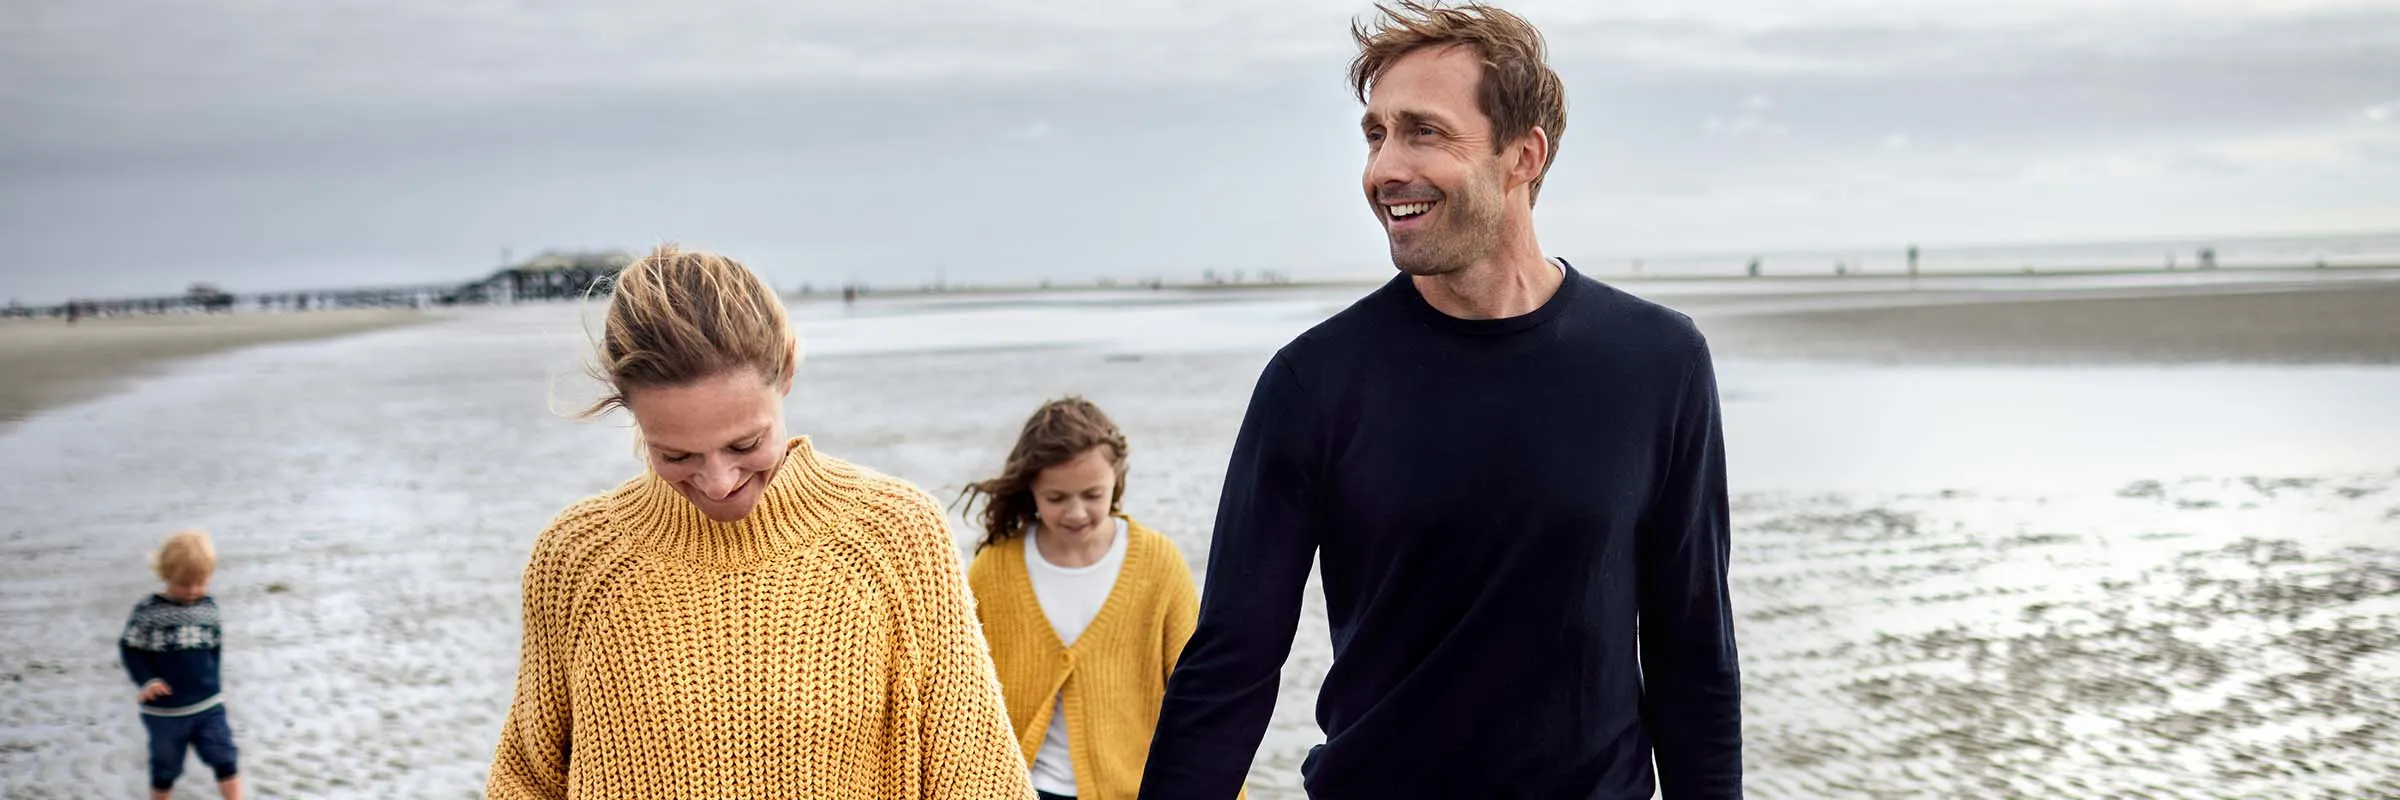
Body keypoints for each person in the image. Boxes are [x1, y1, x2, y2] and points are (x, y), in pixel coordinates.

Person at [1140, 2, 1743, 798]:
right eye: (1376, 134)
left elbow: (1692, 648)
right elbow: (1230, 665)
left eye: (1423, 131)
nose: (1384, 168)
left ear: (1523, 155)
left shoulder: (1657, 360)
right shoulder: (1314, 381)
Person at [485, 244, 1031, 799]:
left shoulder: (894, 534)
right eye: (676, 456)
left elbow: (978, 776)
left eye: (745, 443)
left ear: (787, 368)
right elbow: (525, 780)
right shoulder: (577, 556)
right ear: (629, 411)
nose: (719, 482)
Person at [959, 398, 1234, 800]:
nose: (1075, 513)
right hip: (1019, 788)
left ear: (1117, 479)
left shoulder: (1159, 565)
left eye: (1092, 495)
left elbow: (1199, 694)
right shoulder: (994, 568)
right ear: (1031, 487)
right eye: (1056, 498)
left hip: (1132, 789)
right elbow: (962, 694)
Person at [120, 529, 243, 800]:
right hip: (166, 712)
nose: (193, 591)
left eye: (200, 583)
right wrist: (147, 680)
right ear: (165, 576)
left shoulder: (209, 608)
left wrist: (216, 688)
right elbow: (130, 648)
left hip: (208, 706)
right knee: (165, 769)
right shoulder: (149, 611)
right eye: (184, 584)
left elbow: (215, 651)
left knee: (225, 757)